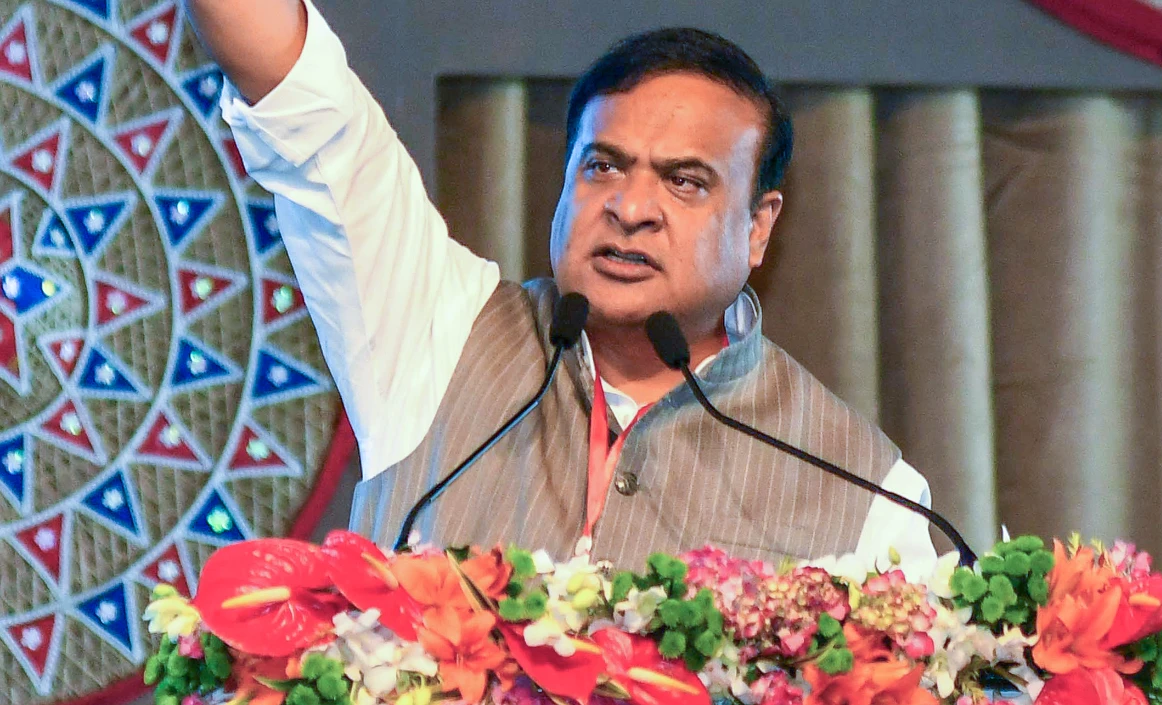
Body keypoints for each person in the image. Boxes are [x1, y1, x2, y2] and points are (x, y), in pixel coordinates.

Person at [186, 0, 937, 573]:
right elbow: (298, 96)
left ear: (758, 228)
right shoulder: (437, 329)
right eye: (602, 166)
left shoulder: (868, 493)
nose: (630, 208)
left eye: (684, 181)